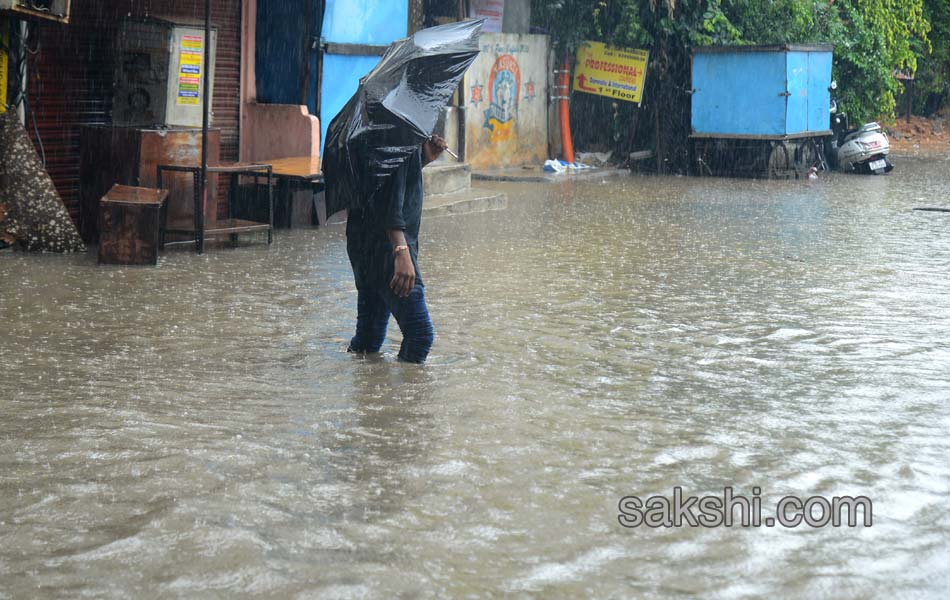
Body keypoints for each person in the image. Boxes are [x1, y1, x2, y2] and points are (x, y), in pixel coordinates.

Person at [345, 135, 448, 363]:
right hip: (387, 249)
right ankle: (399, 398)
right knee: (420, 335)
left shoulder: (378, 133)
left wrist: (421, 158)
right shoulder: (399, 136)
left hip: (363, 244)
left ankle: (368, 393)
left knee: (368, 340)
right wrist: (400, 250)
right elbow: (387, 201)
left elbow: (385, 181)